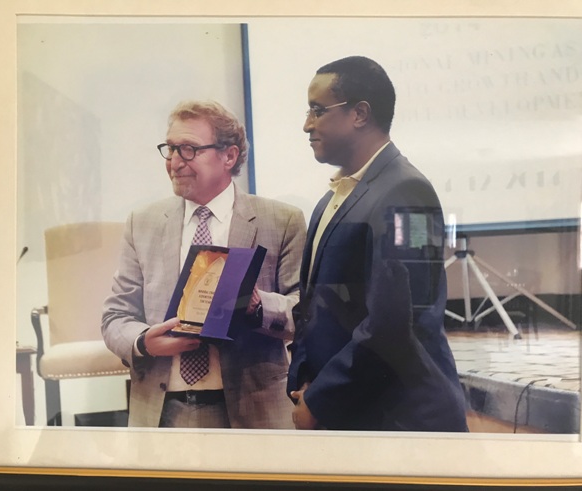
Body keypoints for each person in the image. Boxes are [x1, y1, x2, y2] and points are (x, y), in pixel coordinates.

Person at [287, 56, 469, 432]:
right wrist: (306, 383)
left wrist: (321, 398)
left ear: (360, 114)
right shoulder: (331, 199)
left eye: (317, 111)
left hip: (400, 420)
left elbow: (395, 323)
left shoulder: (407, 192)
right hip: (346, 411)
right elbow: (312, 310)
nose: (307, 124)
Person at [102, 100, 306, 429]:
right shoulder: (143, 223)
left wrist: (257, 305)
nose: (174, 162)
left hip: (252, 412)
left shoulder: (281, 220)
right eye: (169, 149)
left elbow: (305, 313)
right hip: (161, 411)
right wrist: (143, 341)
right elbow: (115, 317)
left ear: (229, 156)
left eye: (188, 149)